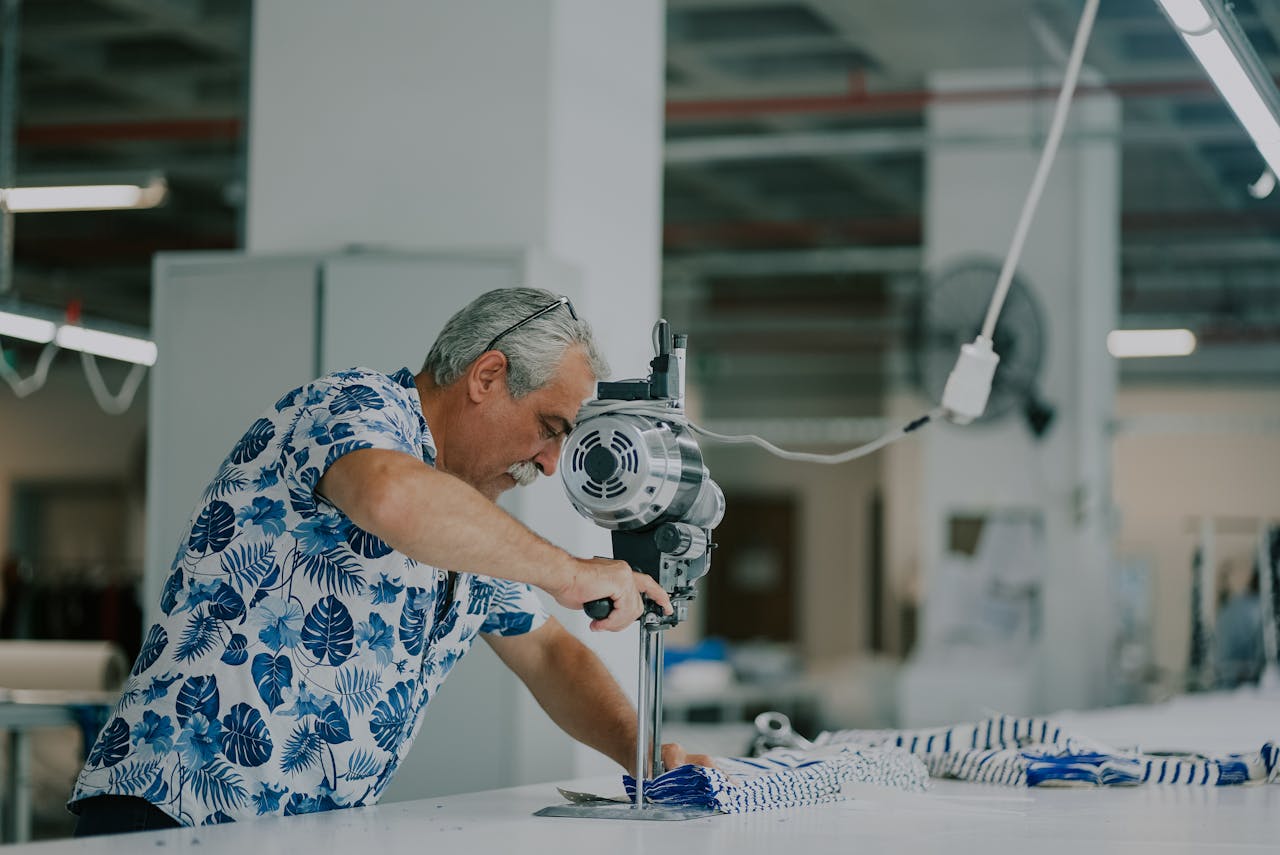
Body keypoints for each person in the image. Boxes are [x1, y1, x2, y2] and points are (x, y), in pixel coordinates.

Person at [69, 288, 711, 835]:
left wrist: (644, 756)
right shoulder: (353, 406)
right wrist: (572, 571)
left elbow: (548, 654)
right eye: (549, 426)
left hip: (297, 833)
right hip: (175, 808)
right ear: (486, 378)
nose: (550, 461)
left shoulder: (467, 524)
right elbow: (393, 496)